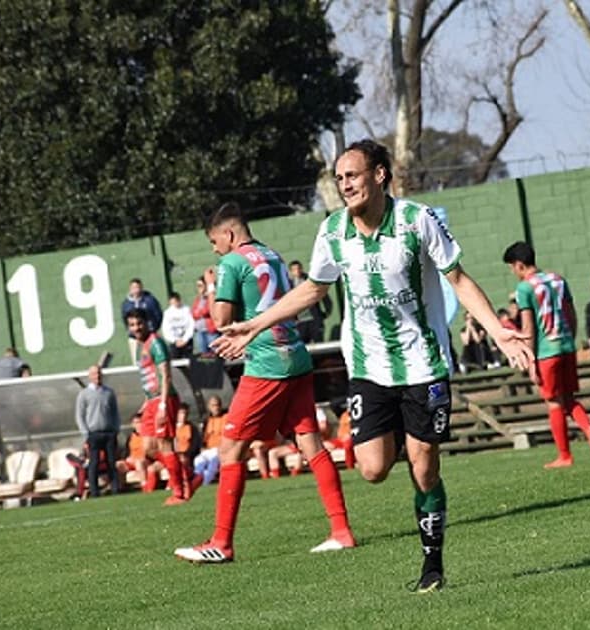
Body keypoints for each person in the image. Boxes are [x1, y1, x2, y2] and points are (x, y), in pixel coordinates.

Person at [210, 140, 534, 592]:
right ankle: (405, 433)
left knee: (424, 470)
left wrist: (499, 331)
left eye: (353, 175)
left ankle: (432, 563)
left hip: (423, 364)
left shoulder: (417, 221)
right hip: (368, 367)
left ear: (379, 175)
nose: (345, 184)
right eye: (340, 178)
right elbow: (313, 290)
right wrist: (254, 325)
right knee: (372, 469)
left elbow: (457, 279)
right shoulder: (333, 231)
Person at [174, 201, 356, 565]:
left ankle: (222, 544)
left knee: (230, 451)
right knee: (311, 443)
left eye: (214, 241)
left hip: (267, 362)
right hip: (296, 355)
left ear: (228, 234)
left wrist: (211, 288)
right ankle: (341, 532)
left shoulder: (231, 263)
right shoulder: (271, 254)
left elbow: (221, 320)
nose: (215, 250)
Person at [504, 241, 590, 469]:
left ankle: (564, 456)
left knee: (553, 402)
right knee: (569, 398)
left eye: (512, 267)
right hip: (567, 347)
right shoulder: (558, 279)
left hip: (546, 352)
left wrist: (530, 359)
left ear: (520, 265)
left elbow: (529, 328)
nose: (513, 272)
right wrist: (570, 340)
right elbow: (571, 314)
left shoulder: (524, 288)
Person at [126, 308, 189, 505]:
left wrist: (162, 404)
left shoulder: (156, 343)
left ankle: (178, 492)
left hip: (164, 399)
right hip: (151, 401)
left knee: (165, 445)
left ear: (147, 323)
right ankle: (187, 475)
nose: (136, 328)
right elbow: (149, 377)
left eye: (139, 323)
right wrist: (146, 404)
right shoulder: (141, 346)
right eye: (132, 325)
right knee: (149, 448)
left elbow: (166, 374)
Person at [75, 365, 121, 498]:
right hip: (93, 433)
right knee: (94, 463)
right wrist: (85, 433)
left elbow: (114, 412)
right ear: (90, 376)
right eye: (94, 374)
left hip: (109, 432)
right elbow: (80, 415)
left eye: (99, 374)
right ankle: (95, 492)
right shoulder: (84, 394)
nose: (97, 376)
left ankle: (115, 488)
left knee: (111, 462)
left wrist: (116, 428)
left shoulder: (109, 392)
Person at [288, 260, 332, 343]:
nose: (297, 271)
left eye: (299, 268)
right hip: (300, 321)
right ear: (291, 272)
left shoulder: (310, 281)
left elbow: (324, 296)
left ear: (302, 269)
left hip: (314, 319)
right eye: (294, 270)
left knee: (319, 342)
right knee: (302, 345)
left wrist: (325, 313)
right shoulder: (288, 285)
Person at [192, 395, 224, 485]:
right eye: (213, 406)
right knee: (198, 460)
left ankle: (204, 483)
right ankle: (196, 480)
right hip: (208, 449)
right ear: (209, 407)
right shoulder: (206, 420)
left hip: (220, 449)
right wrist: (202, 447)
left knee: (213, 462)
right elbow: (202, 438)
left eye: (217, 405)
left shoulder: (226, 418)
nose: (216, 408)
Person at [161, 292, 196, 359]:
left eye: (176, 301)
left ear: (179, 300)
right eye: (172, 302)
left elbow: (191, 325)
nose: (175, 304)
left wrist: (185, 339)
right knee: (175, 362)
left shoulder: (187, 310)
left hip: (187, 342)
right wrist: (174, 340)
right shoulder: (167, 313)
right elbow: (166, 329)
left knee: (189, 361)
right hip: (174, 343)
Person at [191, 276, 219, 356]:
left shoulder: (213, 297)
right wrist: (198, 313)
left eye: (200, 286)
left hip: (210, 331)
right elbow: (193, 313)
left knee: (215, 353)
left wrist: (199, 313)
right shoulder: (198, 299)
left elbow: (209, 310)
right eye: (197, 286)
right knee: (204, 354)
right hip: (200, 330)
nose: (198, 288)